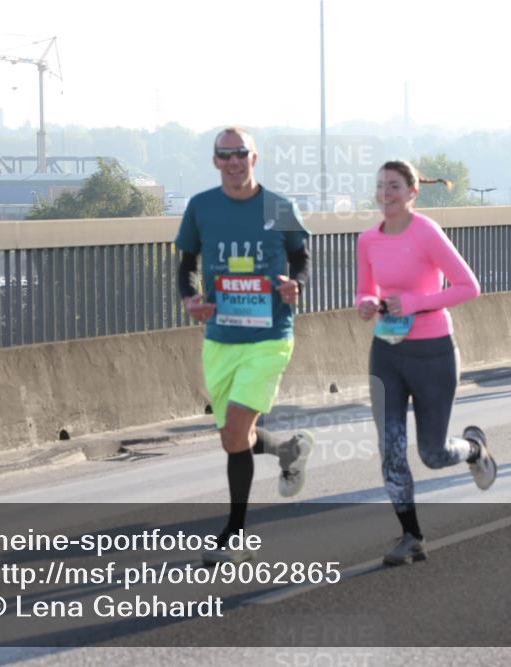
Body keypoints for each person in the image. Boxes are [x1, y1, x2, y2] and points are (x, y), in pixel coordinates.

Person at [175, 127, 314, 565]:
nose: (234, 162)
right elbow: (186, 263)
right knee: (234, 440)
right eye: (225, 155)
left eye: (241, 154)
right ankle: (289, 449)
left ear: (256, 157)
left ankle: (233, 534)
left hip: (269, 336)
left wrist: (297, 285)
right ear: (215, 161)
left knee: (235, 434)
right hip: (220, 337)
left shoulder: (279, 206)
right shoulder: (200, 207)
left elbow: (303, 256)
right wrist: (189, 299)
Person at [356, 160, 497, 567]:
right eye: (380, 185)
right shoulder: (368, 239)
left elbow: (469, 287)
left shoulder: (426, 232)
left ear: (412, 192)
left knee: (432, 453)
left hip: (433, 351)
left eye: (394, 186)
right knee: (391, 449)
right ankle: (411, 536)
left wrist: (415, 303)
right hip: (386, 350)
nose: (386, 193)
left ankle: (473, 449)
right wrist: (365, 304)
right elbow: (365, 291)